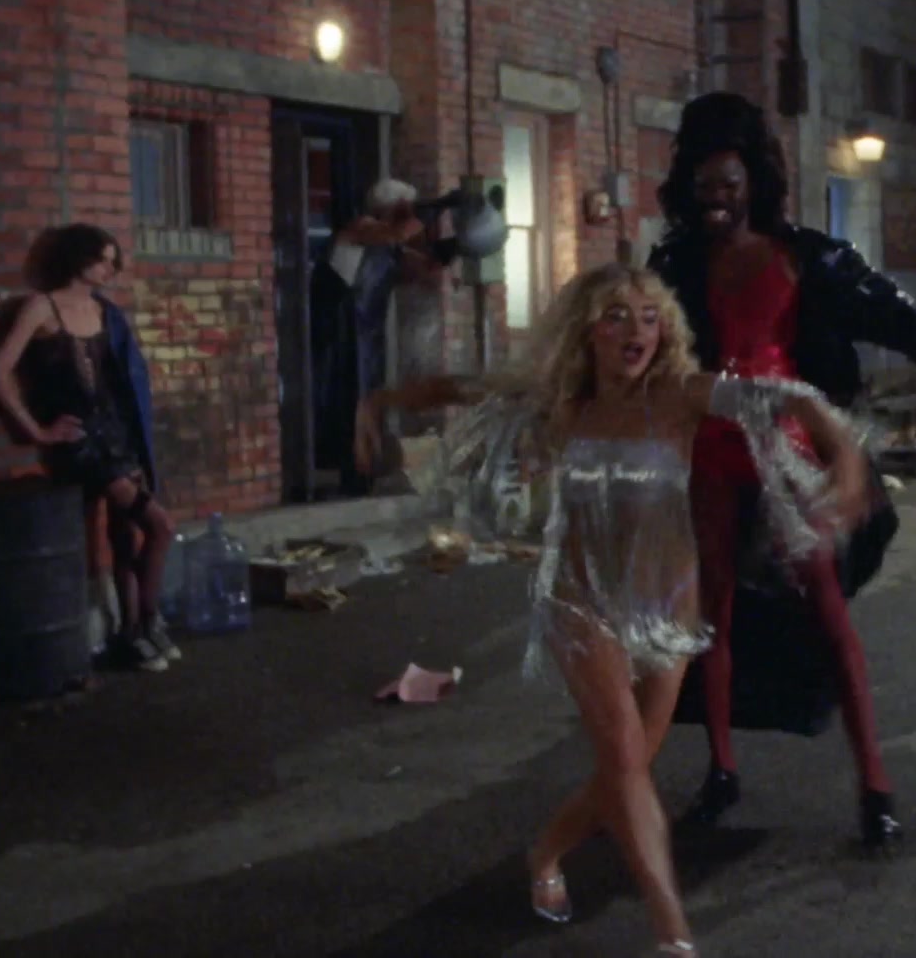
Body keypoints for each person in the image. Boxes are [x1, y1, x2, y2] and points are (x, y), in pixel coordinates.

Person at [354, 262, 870, 957]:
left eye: (650, 317)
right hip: (581, 600)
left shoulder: (681, 396)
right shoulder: (559, 403)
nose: (637, 331)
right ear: (587, 330)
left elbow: (793, 401)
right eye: (617, 316)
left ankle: (545, 852)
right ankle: (672, 934)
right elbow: (460, 387)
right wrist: (377, 402)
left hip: (668, 604)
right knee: (625, 760)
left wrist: (845, 461)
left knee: (624, 771)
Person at [646, 91, 916, 848]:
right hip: (710, 449)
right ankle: (722, 769)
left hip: (788, 448)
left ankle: (875, 785)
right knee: (713, 615)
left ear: (754, 182)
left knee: (828, 613)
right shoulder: (674, 264)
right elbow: (638, 344)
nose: (717, 199)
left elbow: (888, 311)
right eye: (705, 186)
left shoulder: (805, 256)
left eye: (730, 184)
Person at [0, 223, 178, 672]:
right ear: (78, 258)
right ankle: (145, 625)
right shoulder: (41, 307)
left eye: (114, 261)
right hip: (83, 444)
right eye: (102, 259)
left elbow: (125, 378)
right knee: (161, 526)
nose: (110, 268)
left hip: (119, 437)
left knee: (123, 538)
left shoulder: (105, 311)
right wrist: (37, 431)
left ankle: (134, 631)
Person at [311, 179, 441, 496]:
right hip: (342, 335)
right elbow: (390, 235)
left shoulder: (389, 245)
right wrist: (418, 221)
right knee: (349, 404)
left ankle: (366, 470)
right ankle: (350, 472)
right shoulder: (359, 230)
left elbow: (420, 271)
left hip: (369, 335)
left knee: (370, 403)